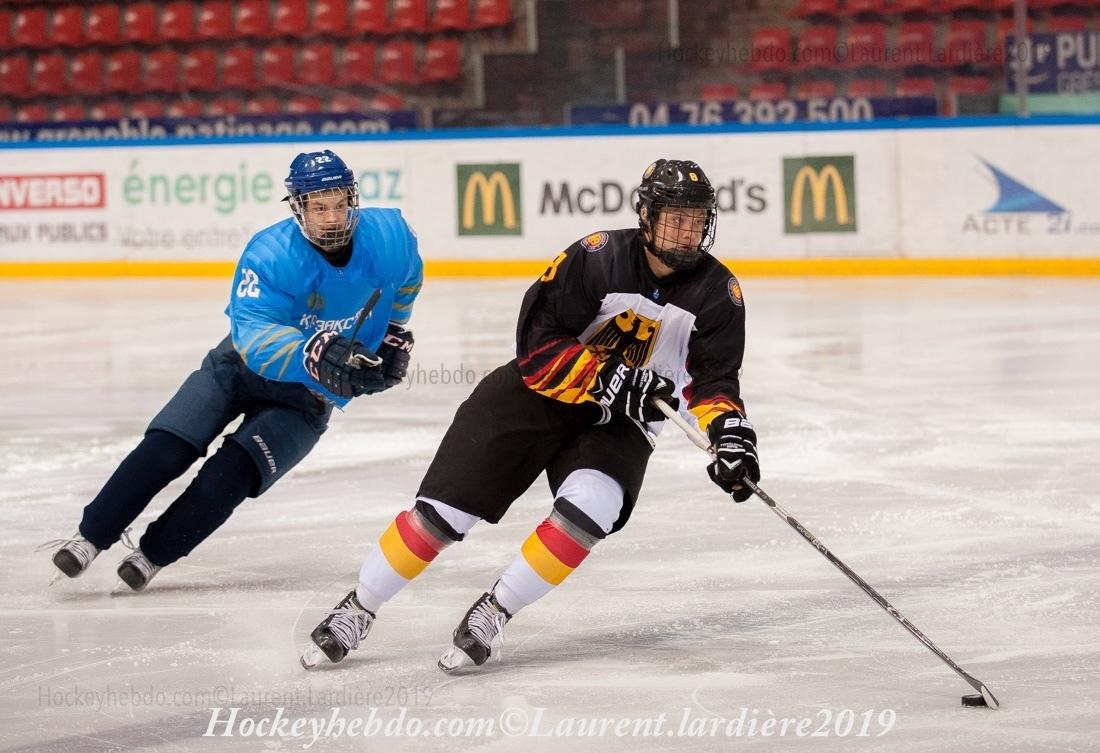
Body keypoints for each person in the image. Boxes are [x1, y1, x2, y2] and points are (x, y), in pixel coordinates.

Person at [303, 158, 760, 672]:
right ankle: (360, 605)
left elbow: (715, 382)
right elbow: (538, 345)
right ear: (647, 216)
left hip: (623, 420)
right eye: (675, 218)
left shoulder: (719, 294)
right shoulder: (598, 258)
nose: (686, 231)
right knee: (442, 514)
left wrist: (730, 435)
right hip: (537, 393)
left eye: (696, 220)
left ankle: (496, 610)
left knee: (593, 508)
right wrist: (608, 378)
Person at [48, 150, 422, 592]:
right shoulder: (270, 253)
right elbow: (253, 338)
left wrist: (395, 331)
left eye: (340, 204)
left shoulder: (390, 236)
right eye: (320, 207)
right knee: (167, 447)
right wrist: (312, 351)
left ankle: (153, 555)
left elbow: (408, 281)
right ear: (299, 207)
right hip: (239, 370)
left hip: (307, 399)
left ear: (353, 198)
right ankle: (92, 536)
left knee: (229, 478)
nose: (332, 218)